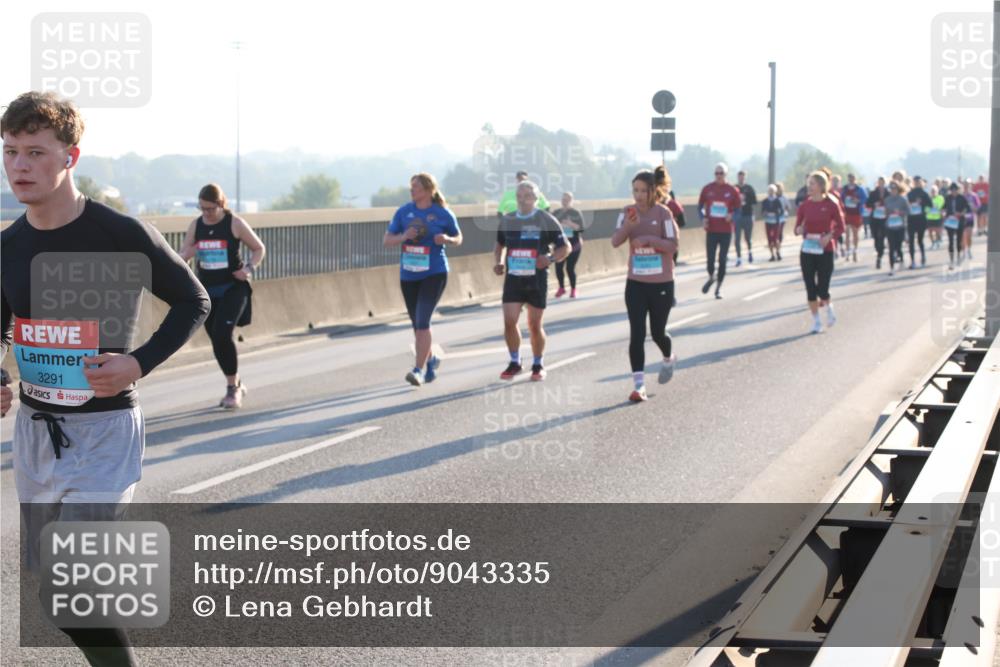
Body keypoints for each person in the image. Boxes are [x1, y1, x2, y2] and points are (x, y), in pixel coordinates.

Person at [1, 91, 210, 666]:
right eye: (10, 151)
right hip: (37, 435)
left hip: (104, 434)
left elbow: (194, 300)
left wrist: (136, 363)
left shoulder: (119, 233)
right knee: (57, 589)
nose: (19, 166)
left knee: (69, 590)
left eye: (35, 153)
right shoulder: (8, 247)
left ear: (70, 156)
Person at [180, 184, 265, 408]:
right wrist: (185, 257)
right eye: (202, 208)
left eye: (209, 209)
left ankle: (232, 389)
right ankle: (235, 381)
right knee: (216, 341)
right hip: (207, 290)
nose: (205, 213)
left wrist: (248, 269)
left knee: (222, 334)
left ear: (220, 205)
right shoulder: (196, 225)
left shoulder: (233, 223)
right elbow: (184, 253)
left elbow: (259, 248)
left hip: (233, 288)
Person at [383, 173, 462, 386]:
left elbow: (458, 237)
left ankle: (417, 370)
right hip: (409, 274)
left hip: (434, 272)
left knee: (423, 321)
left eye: (416, 187)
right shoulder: (403, 212)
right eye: (411, 187)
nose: (411, 190)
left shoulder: (442, 213)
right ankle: (431, 361)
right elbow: (387, 240)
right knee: (416, 324)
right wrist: (403, 237)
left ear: (428, 190)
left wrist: (446, 239)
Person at [611, 167, 679, 403]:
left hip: (661, 282)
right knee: (637, 333)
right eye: (635, 190)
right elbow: (615, 241)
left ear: (653, 191)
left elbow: (672, 245)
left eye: (642, 191)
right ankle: (639, 386)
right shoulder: (627, 212)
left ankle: (669, 356)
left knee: (658, 332)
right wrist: (630, 226)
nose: (638, 195)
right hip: (636, 283)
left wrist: (650, 240)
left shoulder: (664, 214)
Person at [494, 181, 569, 381]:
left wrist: (550, 258)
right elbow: (499, 244)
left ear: (536, 198)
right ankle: (515, 362)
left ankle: (538, 363)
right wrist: (499, 262)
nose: (523, 198)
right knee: (509, 322)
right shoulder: (508, 220)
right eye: (519, 195)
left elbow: (565, 247)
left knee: (534, 324)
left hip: (536, 279)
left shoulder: (545, 219)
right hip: (514, 279)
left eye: (528, 195)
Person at [794, 171, 845, 334]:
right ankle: (816, 321)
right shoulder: (805, 205)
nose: (809, 187)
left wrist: (829, 236)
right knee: (810, 287)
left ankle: (828, 307)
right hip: (808, 249)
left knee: (823, 288)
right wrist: (799, 229)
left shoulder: (831, 203)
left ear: (821, 186)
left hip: (825, 249)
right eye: (808, 183)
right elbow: (796, 228)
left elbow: (841, 226)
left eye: (812, 184)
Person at [697, 162, 740, 299]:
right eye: (717, 173)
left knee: (722, 259)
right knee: (710, 260)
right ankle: (711, 277)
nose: (719, 176)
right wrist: (703, 217)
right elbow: (700, 207)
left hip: (726, 230)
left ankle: (718, 288)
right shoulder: (707, 189)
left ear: (726, 175)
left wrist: (732, 216)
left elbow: (739, 210)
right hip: (712, 229)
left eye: (721, 173)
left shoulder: (732, 190)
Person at [551, 192, 584, 298]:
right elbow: (551, 227)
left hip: (574, 244)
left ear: (571, 200)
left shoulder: (576, 213)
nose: (565, 202)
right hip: (560, 245)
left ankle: (573, 289)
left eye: (567, 200)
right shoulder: (556, 213)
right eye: (563, 199)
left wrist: (571, 224)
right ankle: (561, 288)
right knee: (558, 267)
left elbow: (581, 228)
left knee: (570, 268)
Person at [905, 176, 933, 269]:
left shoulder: (924, 194)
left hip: (921, 219)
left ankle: (923, 257)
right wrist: (911, 204)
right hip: (911, 219)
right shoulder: (910, 193)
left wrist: (922, 204)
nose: (917, 183)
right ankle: (912, 261)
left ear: (921, 183)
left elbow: (930, 205)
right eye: (915, 182)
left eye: (919, 182)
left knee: (920, 240)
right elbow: (905, 204)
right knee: (911, 241)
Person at [943, 182, 972, 270]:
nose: (954, 191)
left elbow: (968, 209)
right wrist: (943, 213)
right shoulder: (947, 198)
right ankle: (951, 260)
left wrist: (961, 213)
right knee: (951, 241)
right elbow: (944, 208)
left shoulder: (962, 198)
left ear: (958, 190)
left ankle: (958, 256)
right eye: (952, 190)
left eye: (955, 190)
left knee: (959, 239)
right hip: (950, 221)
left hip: (959, 221)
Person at [883, 180, 910, 276]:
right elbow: (885, 213)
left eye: (895, 189)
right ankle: (891, 268)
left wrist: (900, 212)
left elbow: (908, 211)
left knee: (898, 246)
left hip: (900, 226)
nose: (893, 191)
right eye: (891, 189)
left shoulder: (903, 199)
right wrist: (888, 213)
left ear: (898, 190)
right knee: (891, 247)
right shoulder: (887, 200)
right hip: (890, 226)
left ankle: (901, 260)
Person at [840, 173, 868, 262]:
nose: (851, 180)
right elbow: (840, 199)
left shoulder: (859, 189)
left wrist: (858, 200)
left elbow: (865, 199)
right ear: (848, 179)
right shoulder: (844, 189)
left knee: (855, 233)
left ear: (855, 179)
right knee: (847, 234)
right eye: (850, 178)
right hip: (847, 213)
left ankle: (855, 251)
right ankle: (848, 252)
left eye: (853, 178)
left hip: (856, 213)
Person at [733, 170, 757, 266]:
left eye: (742, 177)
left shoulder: (749, 188)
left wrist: (745, 199)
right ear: (737, 177)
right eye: (739, 177)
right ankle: (739, 258)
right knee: (737, 238)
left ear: (745, 177)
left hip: (748, 215)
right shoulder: (734, 188)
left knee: (748, 237)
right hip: (737, 215)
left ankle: (750, 251)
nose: (741, 178)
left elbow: (755, 201)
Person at [868, 176, 890, 269]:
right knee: (876, 237)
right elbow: (867, 203)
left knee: (882, 236)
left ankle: (879, 256)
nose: (881, 184)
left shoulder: (888, 193)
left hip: (885, 218)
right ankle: (878, 249)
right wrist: (874, 204)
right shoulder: (873, 193)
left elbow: (891, 204)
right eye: (879, 182)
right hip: (875, 218)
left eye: (883, 182)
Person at [761, 184, 785, 261]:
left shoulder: (777, 200)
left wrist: (777, 212)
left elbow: (781, 211)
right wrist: (764, 213)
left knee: (775, 238)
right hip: (768, 221)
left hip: (776, 222)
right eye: (769, 191)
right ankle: (772, 255)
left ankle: (778, 252)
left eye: (772, 191)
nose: (770, 192)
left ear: (775, 191)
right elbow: (762, 211)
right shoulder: (765, 201)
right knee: (769, 239)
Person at [962, 178, 980, 260]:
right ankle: (964, 252)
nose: (966, 186)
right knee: (963, 236)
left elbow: (978, 206)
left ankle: (969, 249)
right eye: (965, 184)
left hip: (970, 218)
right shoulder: (961, 196)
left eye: (968, 185)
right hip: (962, 219)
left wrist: (973, 208)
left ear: (970, 186)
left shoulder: (974, 195)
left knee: (969, 236)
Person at [926, 184, 945, 250]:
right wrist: (928, 210)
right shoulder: (928, 198)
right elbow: (926, 208)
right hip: (929, 217)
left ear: (937, 191)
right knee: (930, 231)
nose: (933, 192)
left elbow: (942, 206)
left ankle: (937, 241)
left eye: (934, 191)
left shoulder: (940, 198)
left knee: (937, 231)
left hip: (938, 217)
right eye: (932, 191)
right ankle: (933, 242)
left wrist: (938, 209)